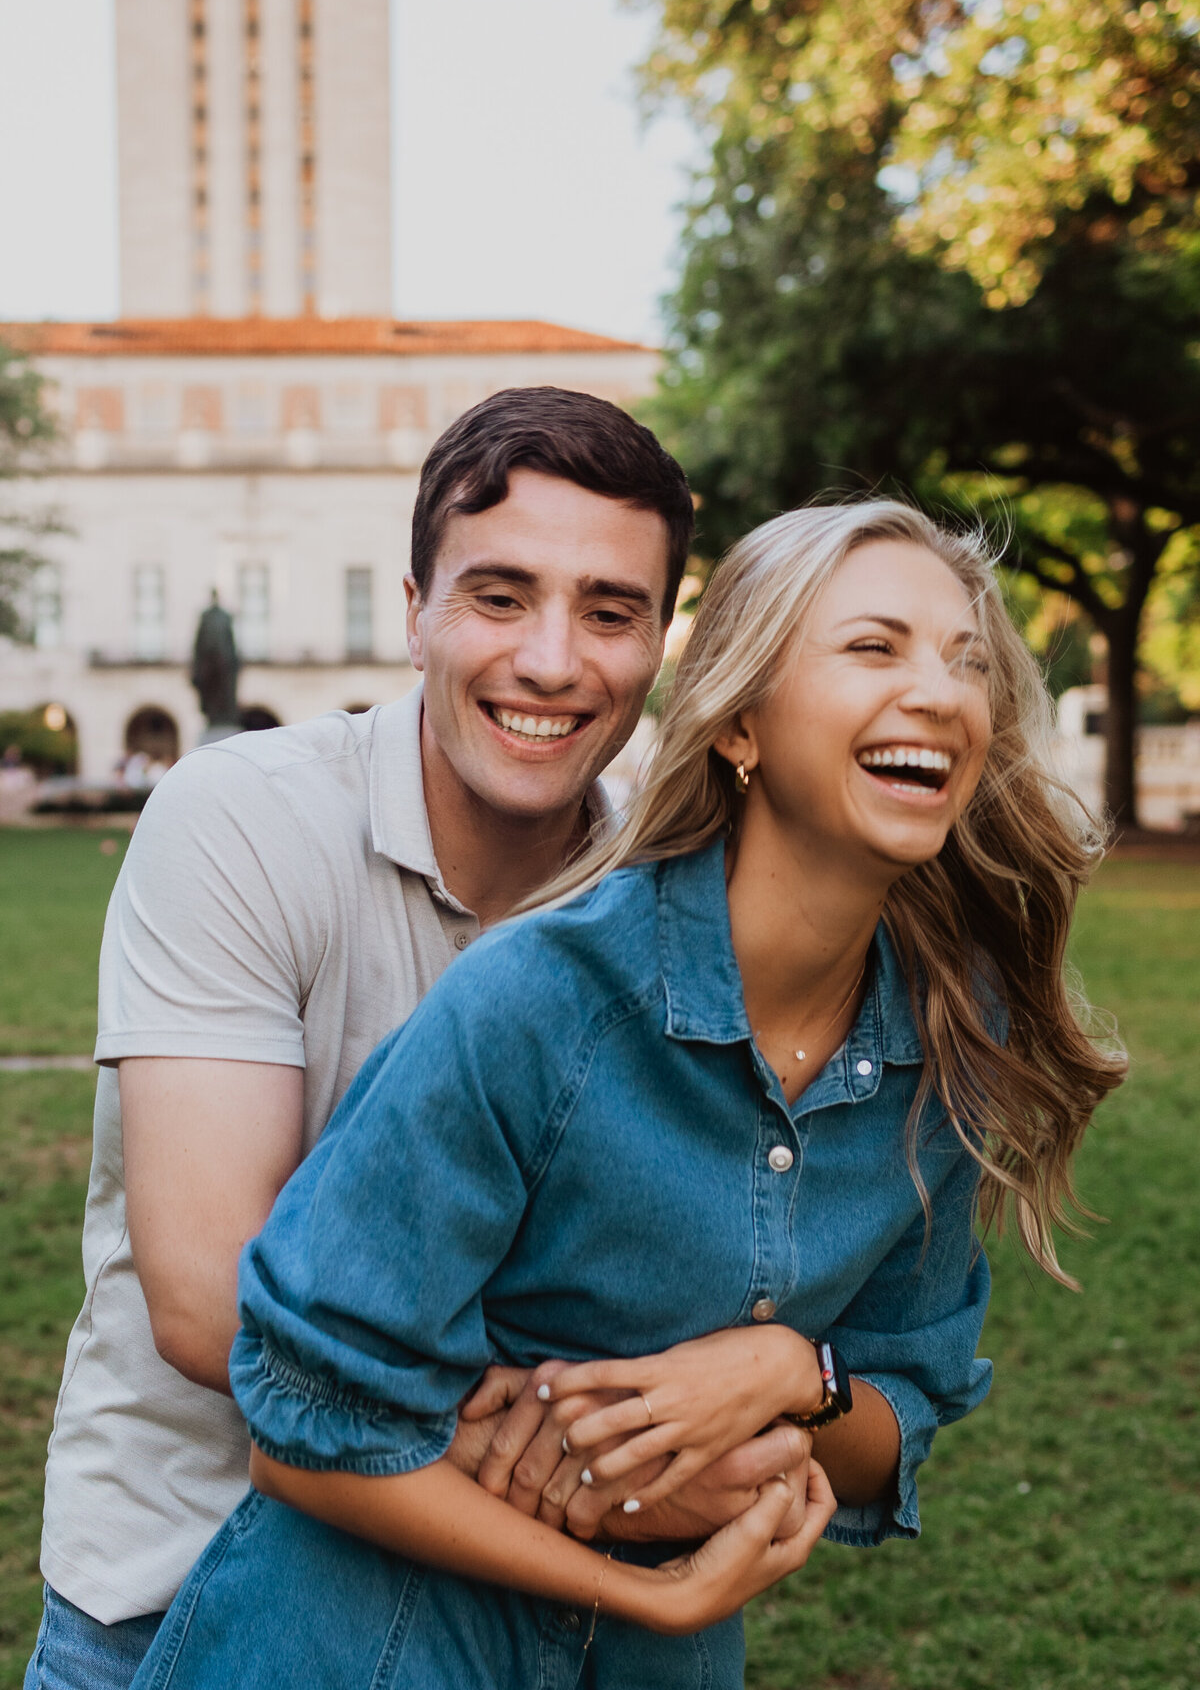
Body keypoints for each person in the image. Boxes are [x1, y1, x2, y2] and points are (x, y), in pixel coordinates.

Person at [128, 501, 1124, 1689]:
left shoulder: (954, 1035)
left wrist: (785, 1374)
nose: (942, 692)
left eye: (966, 662)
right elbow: (305, 1427)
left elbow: (897, 1407)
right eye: (876, 647)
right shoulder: (540, 1002)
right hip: (365, 1649)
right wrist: (642, 1584)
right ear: (743, 719)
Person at [35, 388, 813, 1690]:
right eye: (499, 597)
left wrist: (789, 1363)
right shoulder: (241, 818)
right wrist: (589, 1439)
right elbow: (204, 1294)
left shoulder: (672, 886)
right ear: (413, 613)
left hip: (513, 1623)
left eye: (609, 611)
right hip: (174, 1603)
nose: (553, 661)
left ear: (660, 643)